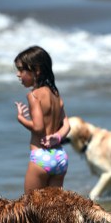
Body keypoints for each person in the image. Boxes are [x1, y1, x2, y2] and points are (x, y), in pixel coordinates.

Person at [14, 46, 70, 194]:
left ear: (36, 70)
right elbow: (67, 126)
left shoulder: (34, 95)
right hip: (59, 157)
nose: (18, 74)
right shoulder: (55, 93)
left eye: (21, 70)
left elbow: (38, 127)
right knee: (53, 210)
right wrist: (56, 137)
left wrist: (21, 118)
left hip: (41, 158)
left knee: (30, 209)